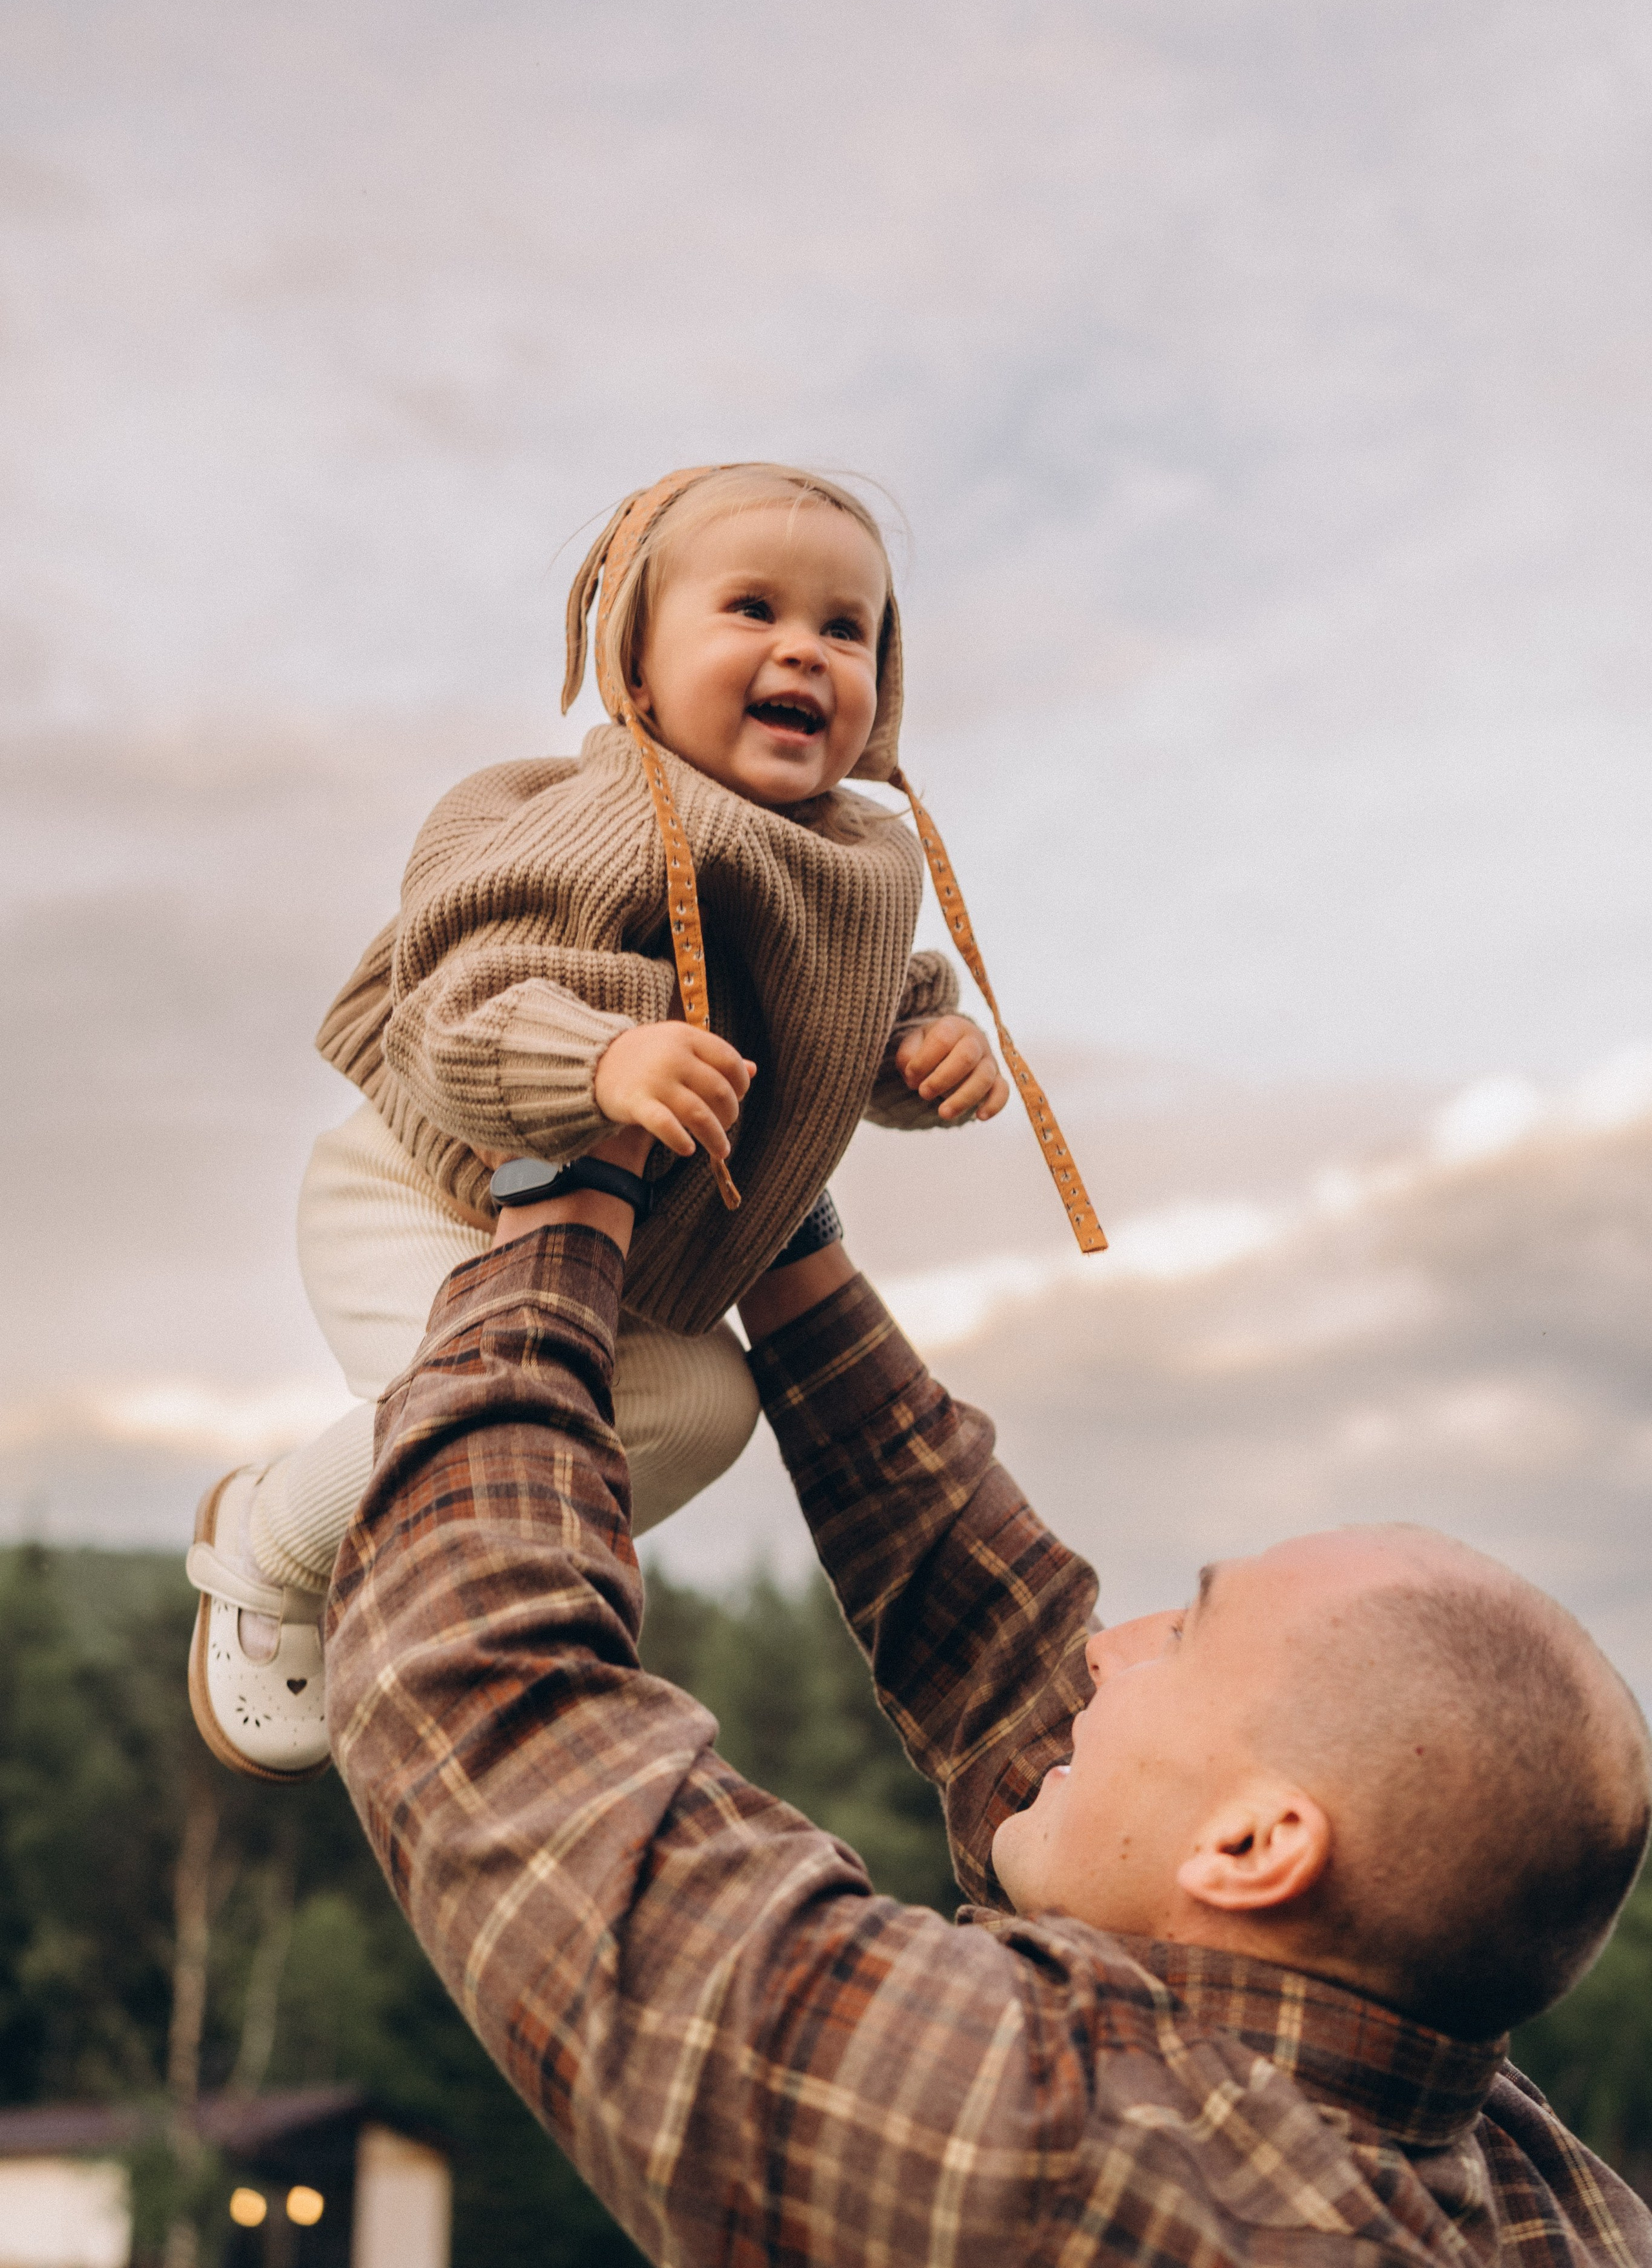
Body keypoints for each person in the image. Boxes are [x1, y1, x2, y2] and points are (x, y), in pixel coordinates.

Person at [325, 1143, 1652, 2268]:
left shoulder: (1054, 2157)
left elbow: (499, 1716)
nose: (1100, 1653)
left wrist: (565, 1186)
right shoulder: (1522, 2183)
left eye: (1181, 1636)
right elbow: (1017, 1678)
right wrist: (781, 1214)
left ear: (1253, 1848)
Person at [187, 461, 1104, 1783]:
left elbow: (859, 1015)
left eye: (846, 629)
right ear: (636, 659)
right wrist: (600, 1056)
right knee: (500, 1417)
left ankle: (393, 1557)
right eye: (751, 609)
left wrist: (923, 1056)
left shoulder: (858, 863)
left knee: (703, 1407)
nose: (804, 648)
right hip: (425, 1194)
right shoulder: (588, 818)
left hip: (622, 1269)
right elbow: (456, 1004)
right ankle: (270, 1546)